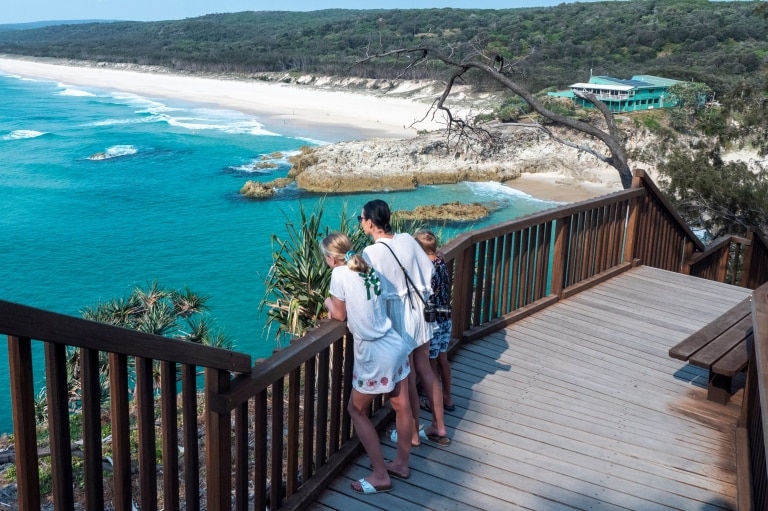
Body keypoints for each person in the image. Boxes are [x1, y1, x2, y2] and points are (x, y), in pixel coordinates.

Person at [321, 232, 413, 495]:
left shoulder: (339, 274)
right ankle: (401, 464)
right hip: (394, 343)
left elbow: (339, 314)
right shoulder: (366, 267)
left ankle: (380, 475)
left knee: (356, 410)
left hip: (373, 352)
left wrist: (327, 302)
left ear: (331, 258)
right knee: (402, 406)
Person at [359, 199, 450, 447]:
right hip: (421, 312)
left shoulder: (371, 253)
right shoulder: (407, 239)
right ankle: (439, 426)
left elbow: (371, 293)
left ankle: (412, 434)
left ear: (370, 222)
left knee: (408, 377)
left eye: (362, 219)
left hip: (399, 318)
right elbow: (429, 270)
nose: (361, 223)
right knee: (426, 370)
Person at [414, 230, 455, 413]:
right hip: (445, 318)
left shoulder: (426, 269)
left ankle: (434, 401)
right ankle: (448, 397)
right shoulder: (441, 262)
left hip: (433, 321)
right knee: (443, 360)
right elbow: (439, 255)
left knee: (431, 364)